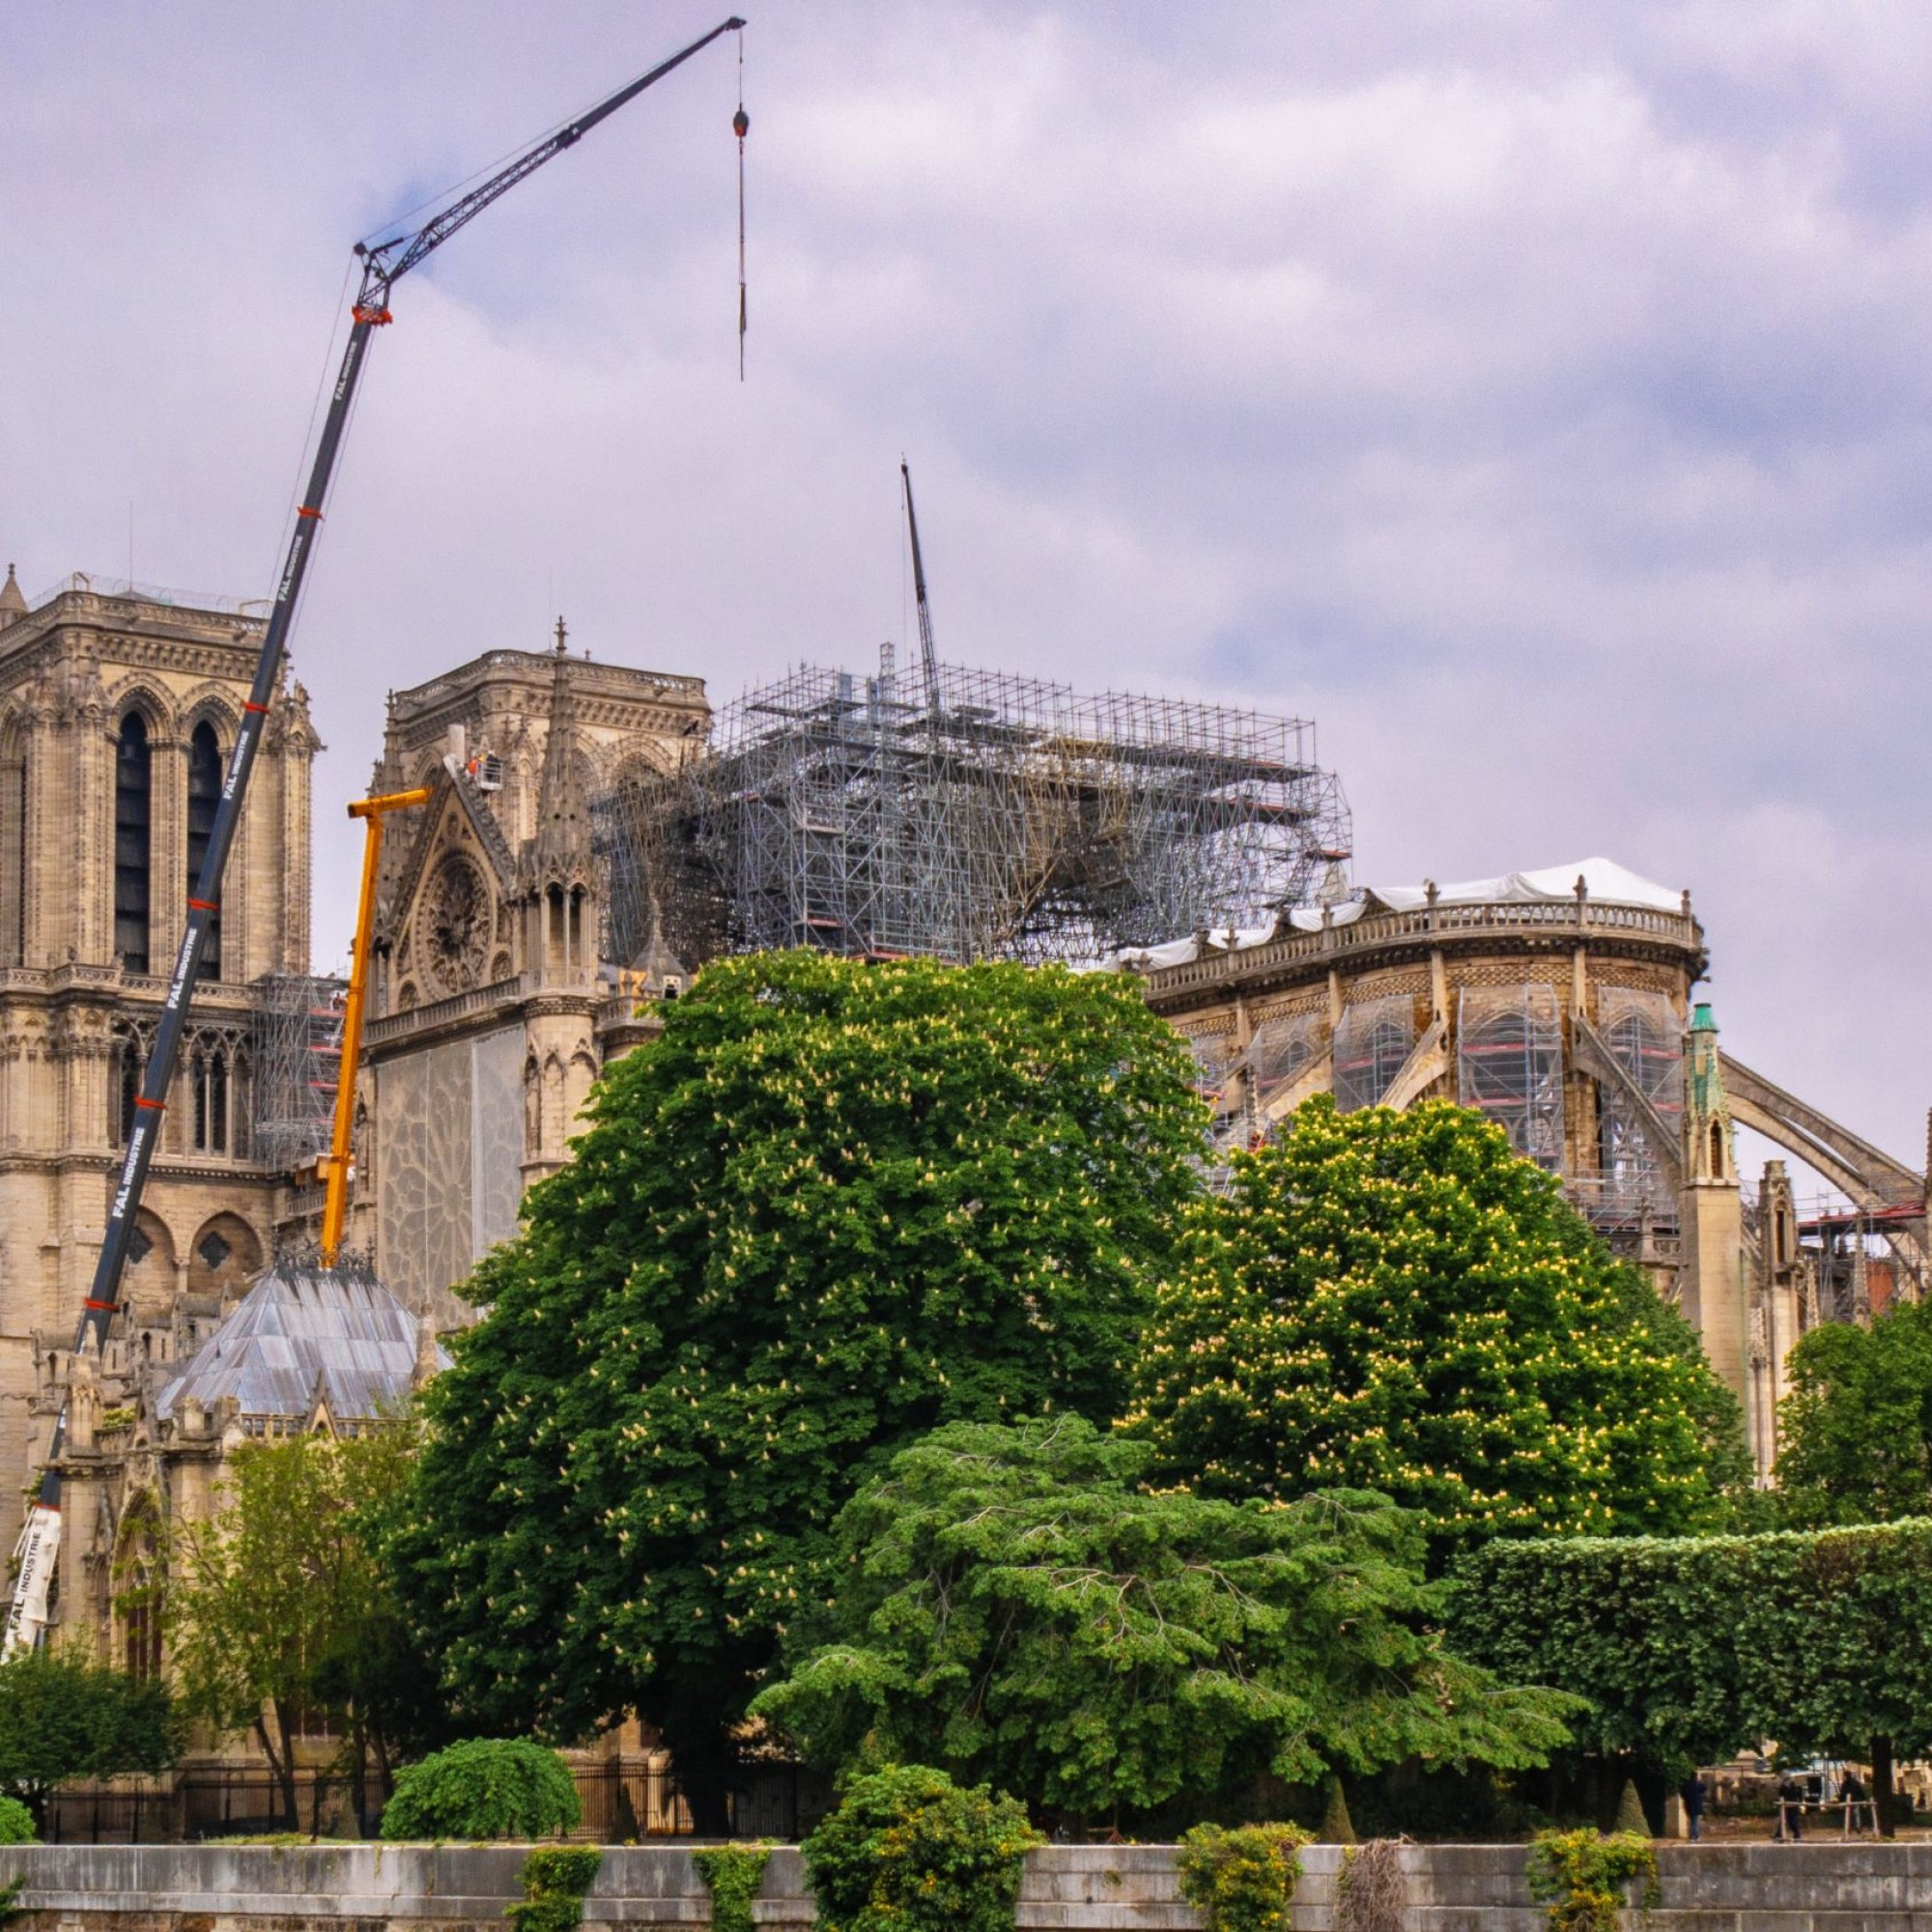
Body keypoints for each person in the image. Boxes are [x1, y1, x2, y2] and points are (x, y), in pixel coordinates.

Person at [1680, 1771, 1707, 1842]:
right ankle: (1694, 1836)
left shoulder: (1686, 1784)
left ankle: (1694, 1835)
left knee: (1692, 1820)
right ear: (1696, 1776)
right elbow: (1704, 1788)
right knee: (1694, 1821)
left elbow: (1682, 1794)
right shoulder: (1698, 1784)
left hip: (1688, 1804)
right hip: (1697, 1804)